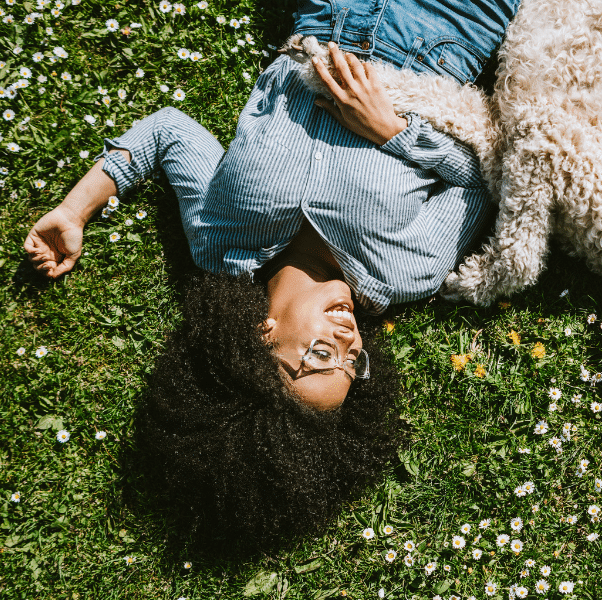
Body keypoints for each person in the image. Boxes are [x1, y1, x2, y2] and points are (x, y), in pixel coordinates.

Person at [23, 0, 520, 550]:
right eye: (355, 363)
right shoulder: (403, 274)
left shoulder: (220, 242)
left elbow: (169, 134)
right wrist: (391, 131)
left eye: (322, 357)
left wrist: (74, 210)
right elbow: (477, 184)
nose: (348, 342)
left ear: (260, 342)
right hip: (447, 29)